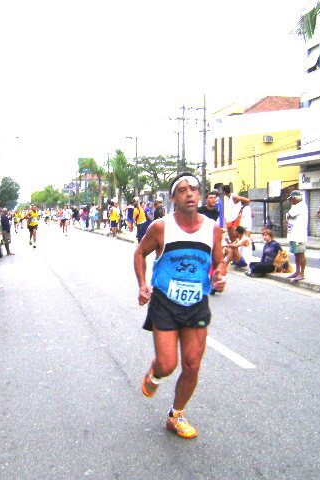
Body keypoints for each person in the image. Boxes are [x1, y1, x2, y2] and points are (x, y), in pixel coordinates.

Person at [134, 172, 226, 439]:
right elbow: (140, 253)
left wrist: (219, 275)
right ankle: (154, 372)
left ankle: (176, 415)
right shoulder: (161, 227)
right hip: (165, 301)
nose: (190, 194)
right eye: (183, 190)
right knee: (167, 364)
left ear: (199, 195)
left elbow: (219, 260)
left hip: (197, 302)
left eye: (194, 189)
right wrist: (142, 284)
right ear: (173, 198)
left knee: (193, 365)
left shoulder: (212, 229)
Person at [286, 190, 308, 283]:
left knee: (301, 253)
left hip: (299, 234)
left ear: (295, 198)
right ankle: (297, 271)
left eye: (291, 199)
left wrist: (288, 215)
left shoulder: (301, 206)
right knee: (296, 254)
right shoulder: (295, 206)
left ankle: (301, 273)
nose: (291, 201)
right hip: (293, 234)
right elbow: (288, 216)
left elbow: (289, 215)